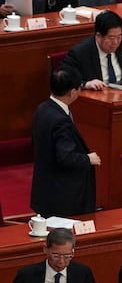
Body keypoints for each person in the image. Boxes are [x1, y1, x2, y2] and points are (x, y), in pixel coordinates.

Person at [31, 67, 101, 217]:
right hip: (62, 197)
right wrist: (88, 158)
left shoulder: (42, 108)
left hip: (45, 189)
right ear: (72, 92)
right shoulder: (60, 121)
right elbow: (65, 157)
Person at [61, 10, 122, 90]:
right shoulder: (80, 53)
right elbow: (64, 78)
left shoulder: (118, 45)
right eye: (111, 38)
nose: (115, 42)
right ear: (98, 36)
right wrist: (86, 84)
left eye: (119, 37)